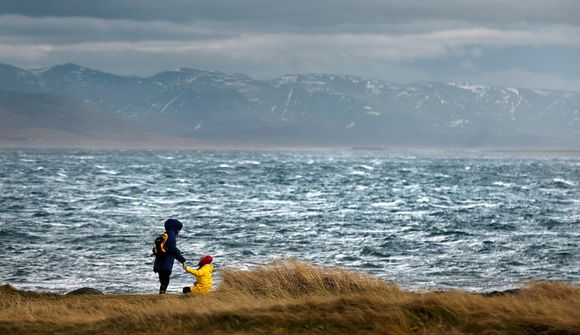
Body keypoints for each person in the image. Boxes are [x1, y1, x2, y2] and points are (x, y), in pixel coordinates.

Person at [153, 218, 187, 294]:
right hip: (166, 262)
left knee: (162, 280)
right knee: (165, 280)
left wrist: (177, 251)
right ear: (176, 228)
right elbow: (172, 249)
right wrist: (182, 259)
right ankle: (162, 295)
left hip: (159, 261)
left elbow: (168, 247)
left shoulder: (165, 234)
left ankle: (162, 294)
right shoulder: (172, 235)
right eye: (179, 229)